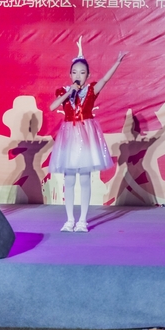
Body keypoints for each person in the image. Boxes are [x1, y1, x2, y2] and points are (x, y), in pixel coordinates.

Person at [49, 38, 125, 232]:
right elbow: (52, 106)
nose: (78, 75)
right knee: (69, 180)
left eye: (82, 72)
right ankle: (69, 220)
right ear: (70, 74)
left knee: (84, 179)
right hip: (69, 137)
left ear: (88, 75)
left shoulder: (91, 90)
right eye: (74, 72)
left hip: (86, 136)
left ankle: (82, 220)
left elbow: (105, 80)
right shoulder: (63, 91)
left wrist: (117, 62)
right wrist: (70, 93)